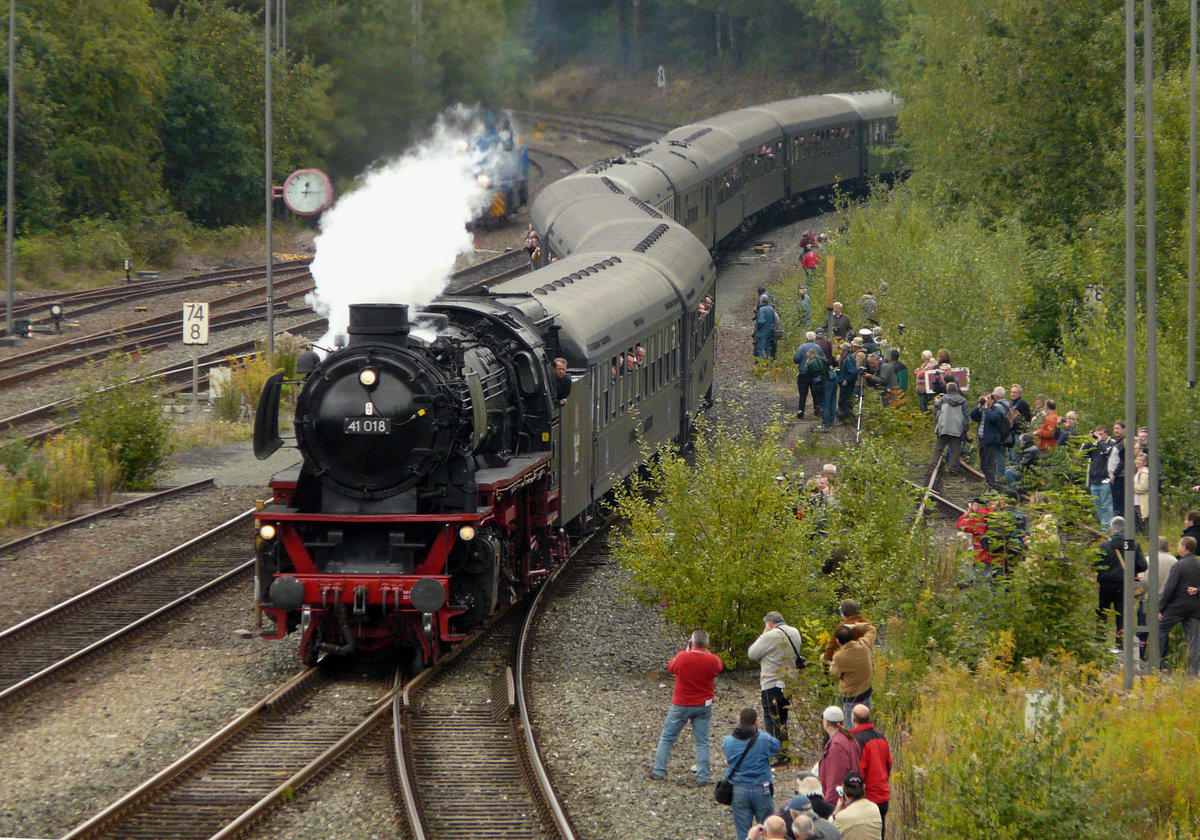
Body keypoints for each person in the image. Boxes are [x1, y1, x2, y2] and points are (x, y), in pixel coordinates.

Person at [650, 629, 724, 784]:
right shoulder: (713, 660)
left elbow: (671, 667)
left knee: (668, 737)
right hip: (703, 705)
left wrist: (687, 652)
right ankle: (703, 776)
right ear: (707, 644)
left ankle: (659, 770)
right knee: (702, 741)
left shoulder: (682, 657)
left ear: (692, 642)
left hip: (681, 704)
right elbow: (719, 668)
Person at [747, 611, 804, 765]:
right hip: (789, 682)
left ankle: (778, 754)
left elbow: (752, 654)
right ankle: (784, 751)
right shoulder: (795, 632)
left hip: (771, 682)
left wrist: (763, 634)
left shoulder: (769, 636)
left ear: (770, 624)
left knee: (771, 719)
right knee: (783, 718)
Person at [723, 707, 782, 840]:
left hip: (739, 789)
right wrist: (757, 731)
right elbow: (777, 747)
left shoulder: (728, 742)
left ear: (739, 721)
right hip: (762, 788)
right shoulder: (763, 739)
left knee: (744, 833)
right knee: (770, 830)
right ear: (756, 722)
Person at [1096, 516, 1147, 648]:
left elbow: (1096, 564)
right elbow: (1143, 565)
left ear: (1112, 530)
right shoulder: (1132, 545)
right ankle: (1120, 644)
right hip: (1124, 586)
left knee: (1102, 612)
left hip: (1106, 586)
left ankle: (1099, 641)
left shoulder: (1104, 545)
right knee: (1122, 615)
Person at [1157, 536, 1200, 675]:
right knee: (1194, 641)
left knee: (1160, 629)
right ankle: (1193, 672)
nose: (1177, 547)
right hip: (1194, 608)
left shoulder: (1179, 565)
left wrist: (1160, 608)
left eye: (1179, 545)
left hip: (1177, 607)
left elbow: (1169, 588)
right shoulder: (1199, 564)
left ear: (1184, 547)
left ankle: (1158, 664)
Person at [849, 705, 891, 835]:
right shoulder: (881, 737)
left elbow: (859, 772)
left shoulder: (856, 741)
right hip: (883, 795)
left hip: (867, 798)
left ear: (854, 720)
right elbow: (889, 763)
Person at [817, 706, 861, 807]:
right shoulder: (848, 738)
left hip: (840, 802)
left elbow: (835, 779)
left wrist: (829, 804)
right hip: (851, 796)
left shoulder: (837, 745)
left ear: (826, 722)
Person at [932, 380, 970, 472]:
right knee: (955, 450)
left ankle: (933, 465)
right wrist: (965, 429)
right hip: (957, 429)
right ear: (956, 390)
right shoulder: (963, 401)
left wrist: (938, 423)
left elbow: (936, 412)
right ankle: (953, 468)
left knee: (938, 448)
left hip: (943, 427)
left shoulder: (942, 399)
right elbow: (966, 416)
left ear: (947, 390)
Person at [831, 771, 882, 840]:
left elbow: (828, 833)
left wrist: (836, 810)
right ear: (863, 787)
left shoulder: (841, 817)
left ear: (843, 790)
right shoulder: (875, 809)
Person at [1086, 427, 1116, 529]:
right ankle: (1101, 525)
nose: (1098, 436)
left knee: (1106, 504)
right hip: (1094, 479)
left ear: (1106, 434)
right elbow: (1083, 454)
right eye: (1097, 434)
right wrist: (1088, 441)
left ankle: (1107, 526)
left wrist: (1100, 442)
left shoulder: (1111, 443)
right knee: (1097, 505)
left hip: (1105, 479)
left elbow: (1109, 452)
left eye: (1101, 434)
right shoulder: (1094, 444)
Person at [1110, 420, 1129, 517]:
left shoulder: (1124, 443)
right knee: (1116, 503)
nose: (1115, 431)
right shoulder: (1117, 443)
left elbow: (1123, 460)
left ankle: (1123, 526)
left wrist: (1114, 474)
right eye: (1114, 429)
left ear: (1124, 429)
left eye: (1118, 428)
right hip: (1116, 477)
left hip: (1121, 477)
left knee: (1121, 504)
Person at [836, 343, 858, 424]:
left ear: (844, 350)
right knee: (843, 401)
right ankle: (845, 419)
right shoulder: (846, 358)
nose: (840, 351)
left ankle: (845, 419)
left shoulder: (849, 358)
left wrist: (847, 380)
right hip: (843, 383)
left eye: (841, 349)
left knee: (844, 401)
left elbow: (854, 372)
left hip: (846, 384)